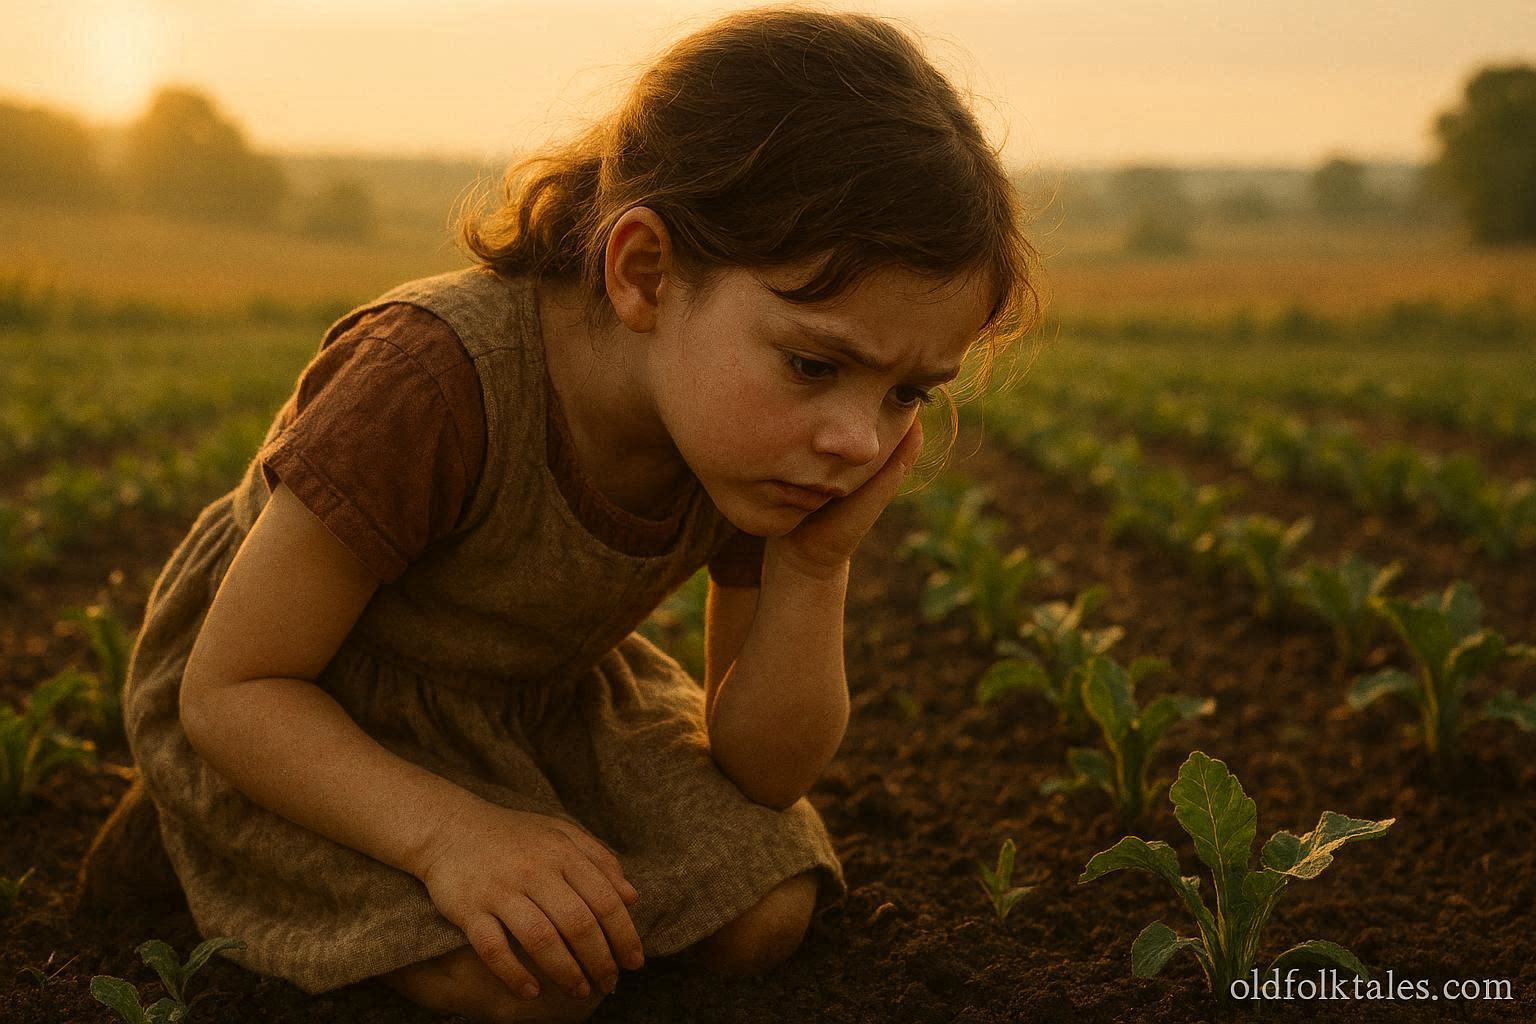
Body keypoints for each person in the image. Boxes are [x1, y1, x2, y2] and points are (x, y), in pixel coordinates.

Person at [86, 5, 1040, 1022]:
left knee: (767, 906)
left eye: (906, 394)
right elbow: (232, 688)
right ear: (644, 272)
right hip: (307, 700)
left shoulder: (757, 449)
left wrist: (812, 568)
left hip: (536, 700)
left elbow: (764, 767)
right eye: (816, 364)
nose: (855, 437)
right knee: (520, 979)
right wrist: (452, 836)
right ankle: (200, 841)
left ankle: (471, 837)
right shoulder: (431, 380)